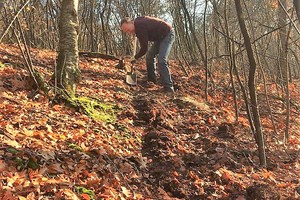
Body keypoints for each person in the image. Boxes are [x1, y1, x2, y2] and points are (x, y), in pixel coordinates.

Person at [120, 16, 175, 93]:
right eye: (127, 32)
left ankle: (169, 88)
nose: (129, 33)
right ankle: (152, 81)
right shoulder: (138, 23)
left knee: (162, 60)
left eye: (129, 30)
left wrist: (135, 57)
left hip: (168, 34)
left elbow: (144, 49)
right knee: (149, 56)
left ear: (131, 22)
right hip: (160, 37)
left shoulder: (139, 26)